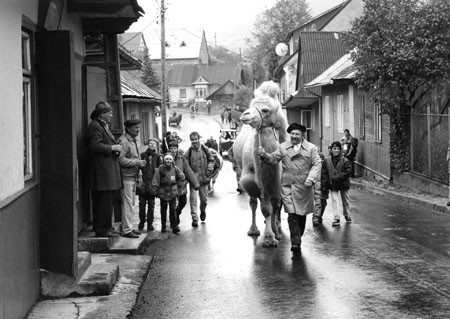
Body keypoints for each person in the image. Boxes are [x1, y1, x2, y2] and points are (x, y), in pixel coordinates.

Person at [258, 123, 321, 253]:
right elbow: (273, 159)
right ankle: (295, 242)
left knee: (301, 215)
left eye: (297, 134)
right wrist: (264, 155)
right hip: (287, 186)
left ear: (302, 135)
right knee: (292, 214)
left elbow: (317, 164)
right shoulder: (283, 147)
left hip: (304, 186)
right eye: (292, 134)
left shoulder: (311, 148)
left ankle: (298, 237)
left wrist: (310, 179)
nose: (294, 136)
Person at [87, 101, 122, 237]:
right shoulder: (95, 127)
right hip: (102, 172)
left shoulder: (103, 126)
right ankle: (102, 229)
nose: (112, 115)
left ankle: (106, 226)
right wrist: (112, 148)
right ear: (102, 114)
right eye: (110, 113)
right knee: (103, 202)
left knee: (107, 201)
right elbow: (94, 146)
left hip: (107, 172)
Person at [118, 119, 147, 238]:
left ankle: (129, 227)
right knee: (127, 203)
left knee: (131, 203)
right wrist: (137, 162)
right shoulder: (123, 141)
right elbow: (120, 160)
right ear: (128, 129)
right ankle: (126, 230)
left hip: (132, 176)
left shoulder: (133, 140)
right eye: (136, 128)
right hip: (126, 177)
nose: (138, 130)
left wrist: (139, 174)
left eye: (139, 128)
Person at [184, 131, 215, 227]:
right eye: (192, 140)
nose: (194, 141)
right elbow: (185, 165)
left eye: (196, 139)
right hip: (193, 180)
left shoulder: (206, 150)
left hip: (204, 179)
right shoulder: (188, 152)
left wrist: (210, 168)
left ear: (199, 139)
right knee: (193, 199)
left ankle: (202, 211)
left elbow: (212, 160)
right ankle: (194, 218)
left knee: (204, 200)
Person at [168, 140, 199, 228]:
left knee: (183, 202)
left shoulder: (181, 158)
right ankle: (174, 224)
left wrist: (195, 183)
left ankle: (177, 213)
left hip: (181, 185)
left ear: (177, 149)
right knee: (172, 205)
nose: (173, 150)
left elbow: (188, 170)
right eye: (171, 148)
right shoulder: (166, 157)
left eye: (174, 148)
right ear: (169, 149)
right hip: (171, 186)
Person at [152, 153, 185, 233]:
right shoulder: (160, 169)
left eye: (170, 159)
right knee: (163, 210)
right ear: (164, 160)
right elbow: (155, 180)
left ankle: (174, 226)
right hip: (163, 191)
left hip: (172, 191)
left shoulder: (175, 168)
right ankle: (163, 226)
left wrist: (179, 187)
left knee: (173, 209)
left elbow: (182, 177)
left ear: (172, 160)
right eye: (167, 159)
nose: (168, 161)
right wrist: (155, 191)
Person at [322, 141, 352, 226]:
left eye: (338, 149)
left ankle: (347, 214)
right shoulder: (327, 160)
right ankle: (336, 217)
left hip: (343, 183)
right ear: (331, 150)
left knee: (345, 200)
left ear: (340, 150)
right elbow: (324, 173)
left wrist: (339, 177)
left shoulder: (345, 160)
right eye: (334, 149)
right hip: (332, 184)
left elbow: (348, 171)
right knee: (335, 200)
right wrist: (325, 185)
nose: (336, 150)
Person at [138, 138, 161, 231]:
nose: (152, 145)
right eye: (150, 143)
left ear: (156, 145)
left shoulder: (157, 157)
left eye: (154, 144)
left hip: (152, 184)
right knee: (142, 204)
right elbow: (139, 167)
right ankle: (142, 221)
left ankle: (150, 223)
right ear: (148, 144)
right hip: (143, 183)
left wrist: (156, 184)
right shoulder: (143, 155)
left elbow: (159, 170)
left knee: (151, 205)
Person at [312, 153, 329, 226]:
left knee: (324, 203)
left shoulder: (326, 168)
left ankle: (320, 216)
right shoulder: (315, 168)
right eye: (319, 159)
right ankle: (315, 217)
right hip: (317, 188)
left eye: (322, 159)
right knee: (318, 203)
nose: (320, 161)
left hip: (324, 188)